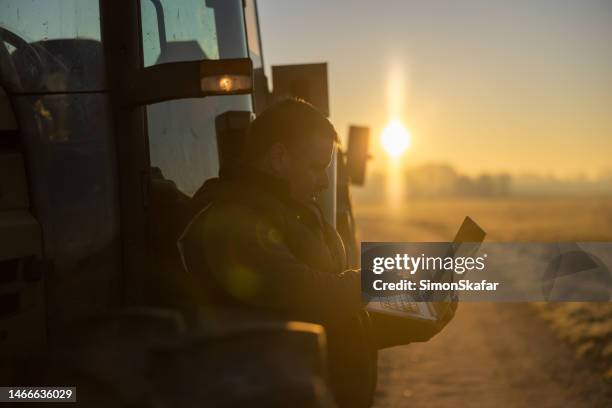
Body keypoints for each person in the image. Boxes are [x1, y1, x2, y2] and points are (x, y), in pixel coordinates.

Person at [179, 99, 455, 407]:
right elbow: (306, 295)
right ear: (279, 158)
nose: (324, 182)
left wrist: (413, 319)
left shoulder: (295, 215)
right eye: (315, 168)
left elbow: (331, 323)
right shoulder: (231, 222)